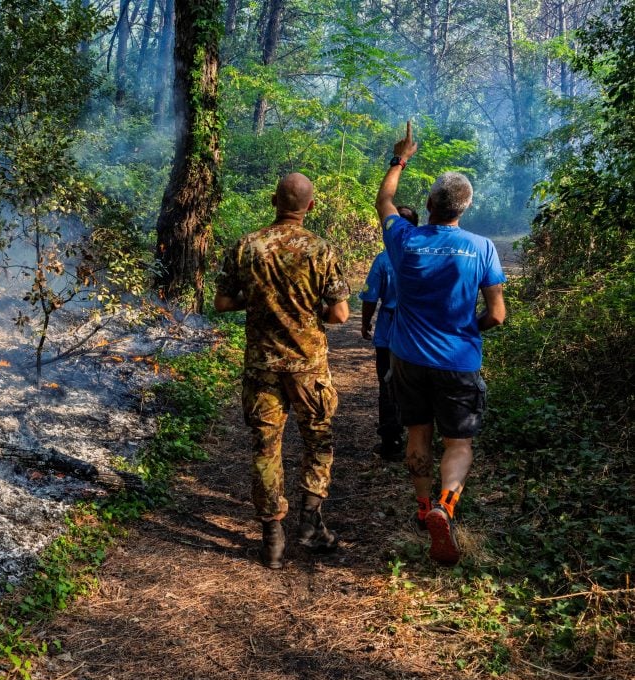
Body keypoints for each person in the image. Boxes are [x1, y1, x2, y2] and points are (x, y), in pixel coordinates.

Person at [375, 122, 507, 565]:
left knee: (417, 433)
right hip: (459, 358)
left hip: (408, 357)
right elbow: (497, 314)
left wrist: (401, 158)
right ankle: (444, 507)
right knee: (458, 442)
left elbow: (385, 201)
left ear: (430, 204)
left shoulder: (405, 240)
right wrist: (470, 329)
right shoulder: (482, 247)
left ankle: (420, 505)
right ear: (464, 209)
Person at [215, 173, 351, 569]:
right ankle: (310, 521)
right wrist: (309, 310)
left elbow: (223, 302)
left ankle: (273, 536)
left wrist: (260, 301)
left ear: (273, 200)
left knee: (265, 447)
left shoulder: (245, 247)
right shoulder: (322, 250)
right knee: (318, 439)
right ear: (310, 206)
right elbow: (340, 313)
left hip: (262, 366)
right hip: (308, 366)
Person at [359, 205, 418, 461]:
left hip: (388, 332)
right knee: (415, 383)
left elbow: (371, 296)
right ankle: (418, 437)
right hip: (417, 333)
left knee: (387, 383)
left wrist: (365, 322)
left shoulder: (383, 259)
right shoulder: (426, 256)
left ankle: (391, 441)